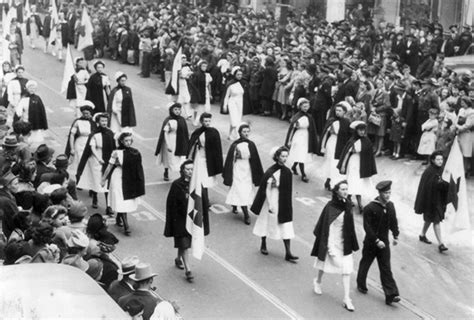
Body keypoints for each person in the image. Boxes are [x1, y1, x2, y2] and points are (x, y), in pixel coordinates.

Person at [311, 180, 359, 312]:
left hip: (345, 243)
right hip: (332, 242)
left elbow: (350, 226)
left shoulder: (348, 204)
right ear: (337, 191)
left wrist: (351, 243)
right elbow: (328, 229)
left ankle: (346, 298)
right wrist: (330, 248)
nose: (345, 191)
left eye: (346, 189)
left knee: (346, 270)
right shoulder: (330, 207)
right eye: (342, 189)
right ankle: (318, 281)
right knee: (324, 265)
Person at [356, 180, 401, 306]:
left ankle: (391, 295)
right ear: (380, 193)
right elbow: (367, 227)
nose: (388, 195)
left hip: (384, 243)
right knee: (365, 263)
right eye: (385, 193)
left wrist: (395, 234)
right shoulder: (370, 208)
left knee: (386, 267)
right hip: (371, 242)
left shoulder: (390, 206)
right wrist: (376, 240)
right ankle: (361, 284)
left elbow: (393, 221)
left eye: (389, 192)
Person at [251, 146, 298, 262]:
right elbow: (266, 189)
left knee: (286, 226)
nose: (284, 158)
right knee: (265, 222)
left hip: (283, 202)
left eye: (286, 156)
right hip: (271, 200)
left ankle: (288, 252)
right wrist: (271, 203)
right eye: (282, 156)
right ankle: (263, 243)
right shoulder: (271, 172)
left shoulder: (287, 172)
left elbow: (287, 189)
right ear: (277, 157)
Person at [101, 132, 145, 236]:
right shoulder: (116, 153)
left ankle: (118, 217)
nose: (128, 143)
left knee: (125, 199)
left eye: (130, 140)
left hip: (129, 178)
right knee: (121, 198)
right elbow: (109, 166)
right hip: (118, 177)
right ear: (121, 141)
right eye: (126, 141)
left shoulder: (135, 152)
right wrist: (103, 179)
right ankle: (126, 226)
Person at [223, 123, 264, 225]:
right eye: (244, 132)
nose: (246, 134)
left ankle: (235, 205)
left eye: (247, 132)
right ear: (240, 133)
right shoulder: (235, 144)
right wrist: (235, 156)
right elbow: (230, 159)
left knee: (245, 189)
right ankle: (246, 214)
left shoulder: (251, 144)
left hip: (248, 169)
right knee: (239, 188)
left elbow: (255, 159)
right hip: (238, 168)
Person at [76, 113, 115, 212]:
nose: (104, 123)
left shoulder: (110, 133)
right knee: (96, 180)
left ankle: (108, 205)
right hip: (95, 160)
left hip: (107, 159)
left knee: (107, 182)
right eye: (102, 121)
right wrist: (98, 158)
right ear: (98, 122)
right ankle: (95, 198)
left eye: (106, 121)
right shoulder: (94, 134)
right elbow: (92, 148)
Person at [164, 159, 194, 282]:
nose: (190, 172)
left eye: (192, 169)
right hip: (180, 219)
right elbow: (171, 203)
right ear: (182, 171)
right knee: (184, 244)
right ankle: (188, 270)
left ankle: (178, 259)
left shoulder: (196, 183)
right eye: (187, 169)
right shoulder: (177, 185)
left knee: (184, 243)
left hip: (191, 218)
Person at [337, 121, 377, 212]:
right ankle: (348, 200)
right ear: (356, 131)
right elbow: (347, 153)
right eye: (360, 130)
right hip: (353, 163)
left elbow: (369, 154)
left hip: (362, 165)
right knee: (352, 181)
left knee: (359, 183)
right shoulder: (353, 140)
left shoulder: (367, 141)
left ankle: (359, 204)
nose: (362, 132)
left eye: (364, 130)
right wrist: (343, 165)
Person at [414, 151, 449, 253]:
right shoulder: (428, 172)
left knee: (429, 220)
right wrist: (439, 183)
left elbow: (445, 185)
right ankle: (441, 243)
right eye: (438, 159)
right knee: (436, 221)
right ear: (433, 160)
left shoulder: (443, 170)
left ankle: (422, 235)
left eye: (441, 159)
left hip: (438, 200)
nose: (440, 161)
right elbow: (426, 187)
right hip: (430, 201)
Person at [187, 113, 223, 206]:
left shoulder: (214, 132)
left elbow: (217, 149)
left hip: (209, 159)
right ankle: (204, 199)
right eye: (205, 121)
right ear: (201, 122)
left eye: (209, 121)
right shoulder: (198, 132)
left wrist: (217, 163)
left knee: (206, 179)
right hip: (199, 157)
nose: (207, 123)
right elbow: (192, 143)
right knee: (200, 178)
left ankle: (205, 199)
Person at [285, 98, 318, 183]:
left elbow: (312, 128)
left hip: (306, 136)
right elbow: (293, 128)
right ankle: (303, 174)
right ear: (300, 107)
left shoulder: (309, 116)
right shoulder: (297, 116)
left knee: (301, 153)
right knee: (301, 153)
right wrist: (290, 139)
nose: (306, 108)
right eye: (304, 106)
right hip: (299, 136)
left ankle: (294, 166)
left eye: (307, 106)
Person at [320, 102, 351, 190]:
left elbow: (349, 135)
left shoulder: (347, 122)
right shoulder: (331, 120)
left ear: (344, 112)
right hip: (332, 143)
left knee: (336, 163)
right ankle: (329, 181)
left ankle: (332, 181)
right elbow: (325, 134)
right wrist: (323, 146)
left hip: (340, 144)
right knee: (330, 162)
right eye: (336, 110)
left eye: (340, 111)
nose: (337, 112)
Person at [155, 103, 189, 182]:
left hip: (179, 141)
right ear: (171, 110)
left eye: (179, 109)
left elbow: (185, 132)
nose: (177, 111)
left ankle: (182, 174)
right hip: (171, 141)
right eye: (175, 109)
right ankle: (166, 171)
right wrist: (168, 144)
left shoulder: (182, 120)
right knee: (169, 158)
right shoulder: (169, 120)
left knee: (180, 158)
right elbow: (165, 133)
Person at [65, 101, 96, 178]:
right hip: (79, 143)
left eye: (87, 113)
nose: (85, 115)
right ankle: (79, 178)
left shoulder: (94, 122)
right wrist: (72, 148)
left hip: (89, 143)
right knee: (79, 160)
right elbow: (72, 135)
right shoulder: (77, 121)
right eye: (84, 113)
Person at [15, 80, 48, 145]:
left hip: (36, 123)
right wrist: (20, 113)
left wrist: (43, 124)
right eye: (30, 87)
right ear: (27, 88)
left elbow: (42, 111)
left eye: (34, 88)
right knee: (27, 139)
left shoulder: (37, 98)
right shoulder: (24, 98)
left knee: (36, 139)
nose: (32, 89)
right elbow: (19, 109)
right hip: (27, 122)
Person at [222, 68, 245, 140]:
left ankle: (230, 135)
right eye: (238, 74)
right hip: (232, 102)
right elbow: (226, 96)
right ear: (234, 75)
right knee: (234, 119)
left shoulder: (243, 83)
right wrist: (225, 105)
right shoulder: (230, 84)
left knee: (237, 119)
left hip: (240, 103)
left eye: (241, 74)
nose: (239, 76)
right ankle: (238, 136)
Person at [188, 60, 212, 126]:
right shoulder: (196, 74)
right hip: (198, 92)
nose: (204, 67)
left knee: (205, 108)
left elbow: (208, 85)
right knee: (197, 108)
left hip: (205, 92)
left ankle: (201, 121)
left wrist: (210, 93)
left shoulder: (207, 75)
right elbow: (193, 84)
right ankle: (196, 120)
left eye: (206, 66)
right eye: (203, 66)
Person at [0, 170, 20, 239]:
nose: (18, 186)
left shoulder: (5, 196)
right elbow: (15, 219)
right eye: (16, 184)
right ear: (8, 186)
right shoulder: (7, 201)